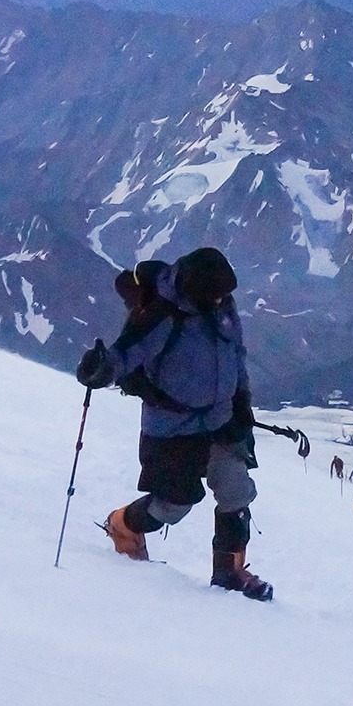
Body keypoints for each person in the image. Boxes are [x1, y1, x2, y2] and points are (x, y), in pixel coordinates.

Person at [76, 246, 271, 601]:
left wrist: (242, 402)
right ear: (198, 289)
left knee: (235, 490)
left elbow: (235, 357)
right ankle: (122, 524)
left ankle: (229, 573)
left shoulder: (220, 306)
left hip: (222, 419)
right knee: (173, 505)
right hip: (173, 427)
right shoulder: (164, 313)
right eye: (216, 294)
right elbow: (126, 354)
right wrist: (102, 369)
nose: (223, 299)